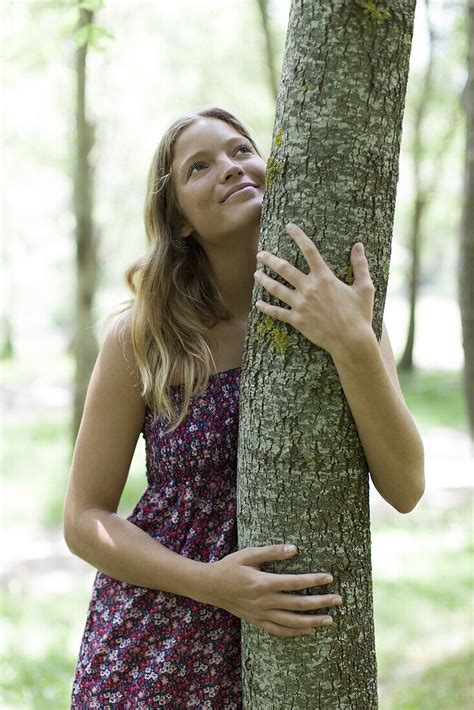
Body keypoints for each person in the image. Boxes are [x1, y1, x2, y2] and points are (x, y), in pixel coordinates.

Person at [63, 106, 425, 708]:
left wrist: (351, 341)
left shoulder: (347, 312)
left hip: (293, 657)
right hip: (156, 643)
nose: (229, 168)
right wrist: (214, 585)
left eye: (240, 150)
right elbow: (83, 518)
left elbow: (407, 487)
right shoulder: (145, 335)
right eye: (199, 167)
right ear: (179, 220)